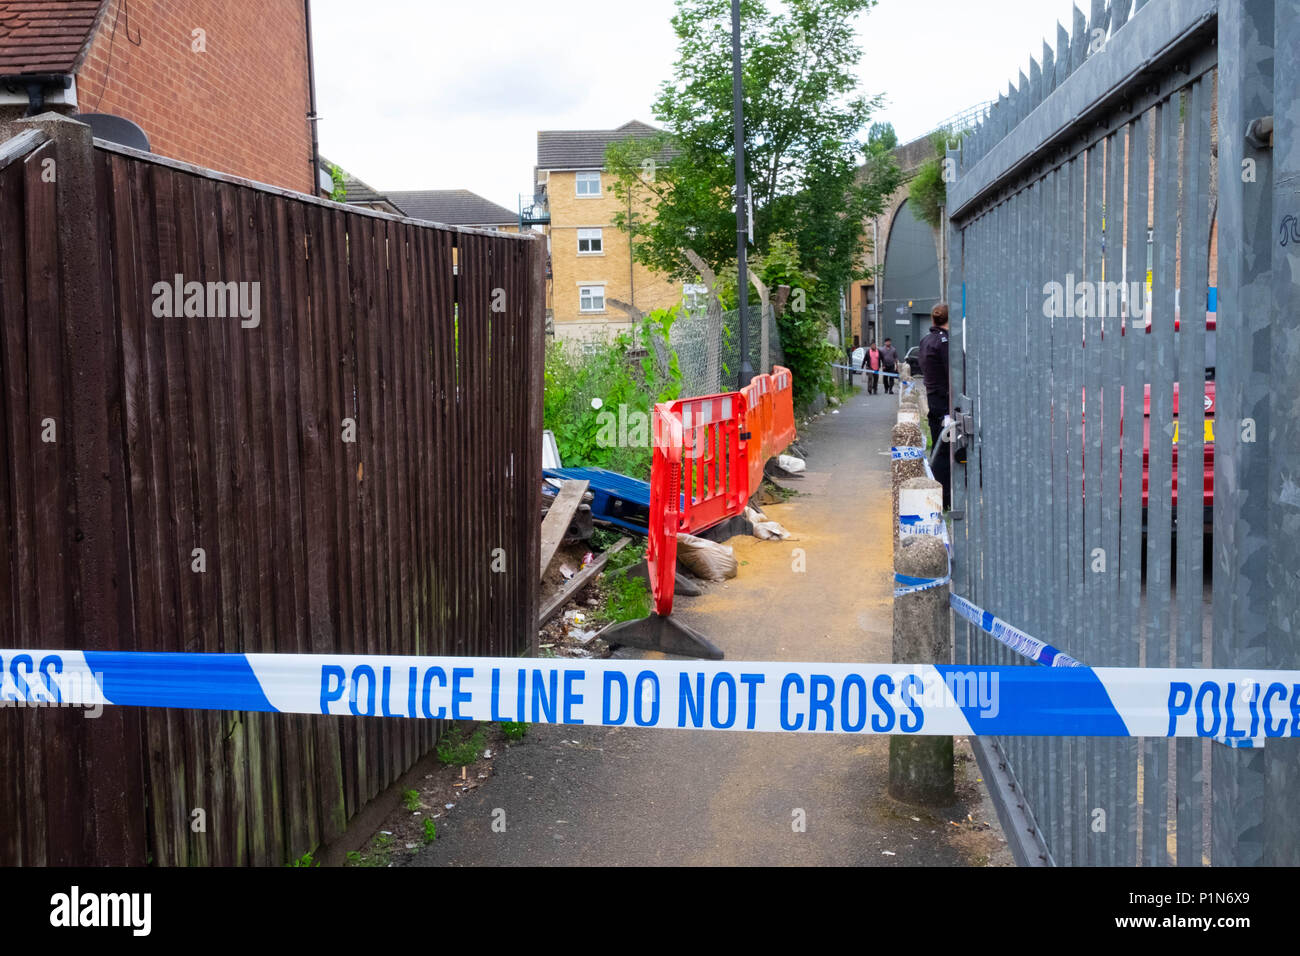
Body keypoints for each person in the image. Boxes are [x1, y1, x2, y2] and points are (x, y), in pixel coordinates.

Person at [918, 303, 952, 510]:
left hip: (933, 398)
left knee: (938, 448)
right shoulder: (946, 343)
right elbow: (953, 372)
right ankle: (944, 499)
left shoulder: (925, 341)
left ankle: (940, 495)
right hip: (946, 401)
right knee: (946, 452)